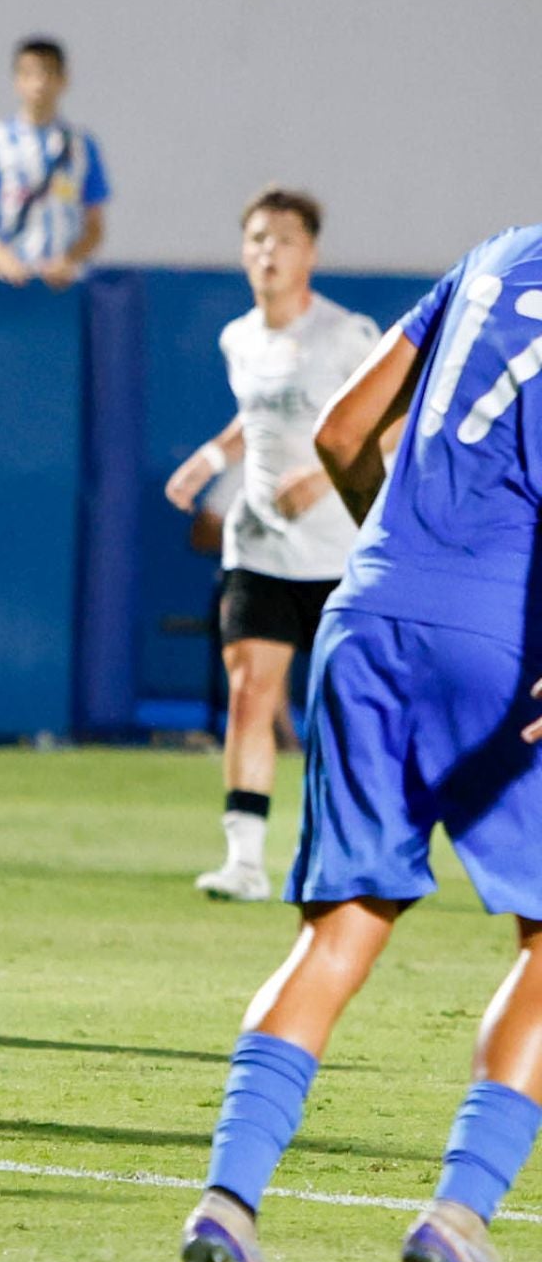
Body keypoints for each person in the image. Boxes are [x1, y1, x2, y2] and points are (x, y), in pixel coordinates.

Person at [179, 224, 542, 1262]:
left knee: (339, 931)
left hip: (367, 613)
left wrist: (402, 563)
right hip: (497, 641)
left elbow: (342, 434)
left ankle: (226, 1204)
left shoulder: (494, 256)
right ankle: (458, 1216)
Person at [164, 188, 380, 902]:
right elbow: (255, 418)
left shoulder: (347, 336)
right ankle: (245, 861)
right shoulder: (239, 338)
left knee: (349, 711)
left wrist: (321, 478)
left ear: (310, 253)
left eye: (284, 239)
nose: (268, 251)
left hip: (338, 554)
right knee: (251, 693)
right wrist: (210, 458)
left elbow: (393, 425)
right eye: (257, 238)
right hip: (257, 546)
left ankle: (351, 858)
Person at [0, 37, 108, 290]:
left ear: (63, 80)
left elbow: (95, 224)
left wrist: (69, 260)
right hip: (10, 281)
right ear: (16, 81)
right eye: (29, 74)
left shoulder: (81, 144)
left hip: (64, 282)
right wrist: (1, 259)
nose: (39, 83)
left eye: (47, 73)